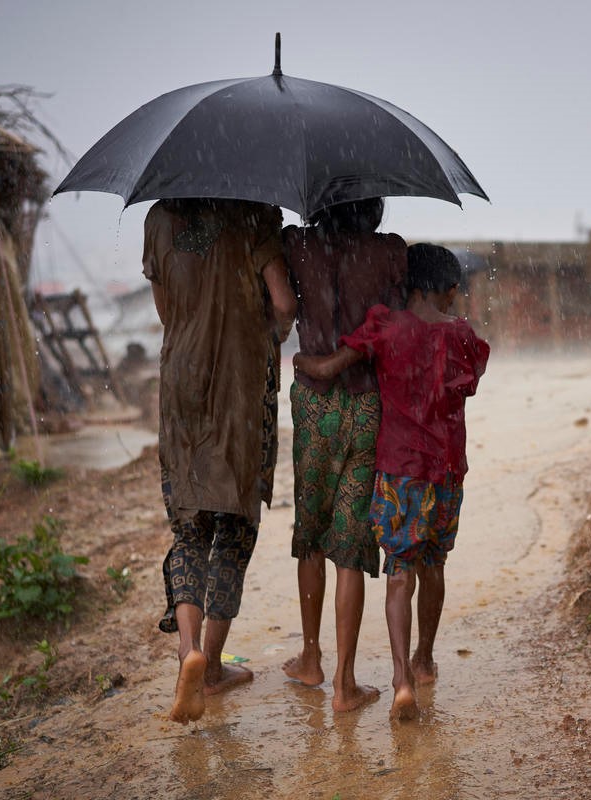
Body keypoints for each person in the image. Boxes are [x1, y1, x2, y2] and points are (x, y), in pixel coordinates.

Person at [295, 243, 489, 720]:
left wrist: (302, 362)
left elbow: (330, 367)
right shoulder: (462, 335)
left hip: (399, 472)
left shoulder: (386, 325)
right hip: (446, 472)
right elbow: (469, 381)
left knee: (399, 573)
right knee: (434, 566)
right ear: (449, 290)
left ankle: (401, 679)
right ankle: (424, 659)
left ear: (407, 284)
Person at [143, 198, 297, 724]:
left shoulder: (159, 219)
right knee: (233, 527)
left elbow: (167, 312)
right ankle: (210, 668)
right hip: (241, 383)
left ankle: (188, 651)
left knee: (190, 529)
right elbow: (283, 303)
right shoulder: (253, 213)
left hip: (182, 382)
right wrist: (266, 331)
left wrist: (197, 326)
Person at [282, 197, 406, 712]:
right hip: (366, 402)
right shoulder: (390, 253)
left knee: (311, 529)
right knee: (352, 541)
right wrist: (345, 359)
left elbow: (279, 310)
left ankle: (311, 657)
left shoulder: (297, 244)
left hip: (313, 403)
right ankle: (344, 683)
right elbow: (389, 326)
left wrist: (319, 361)